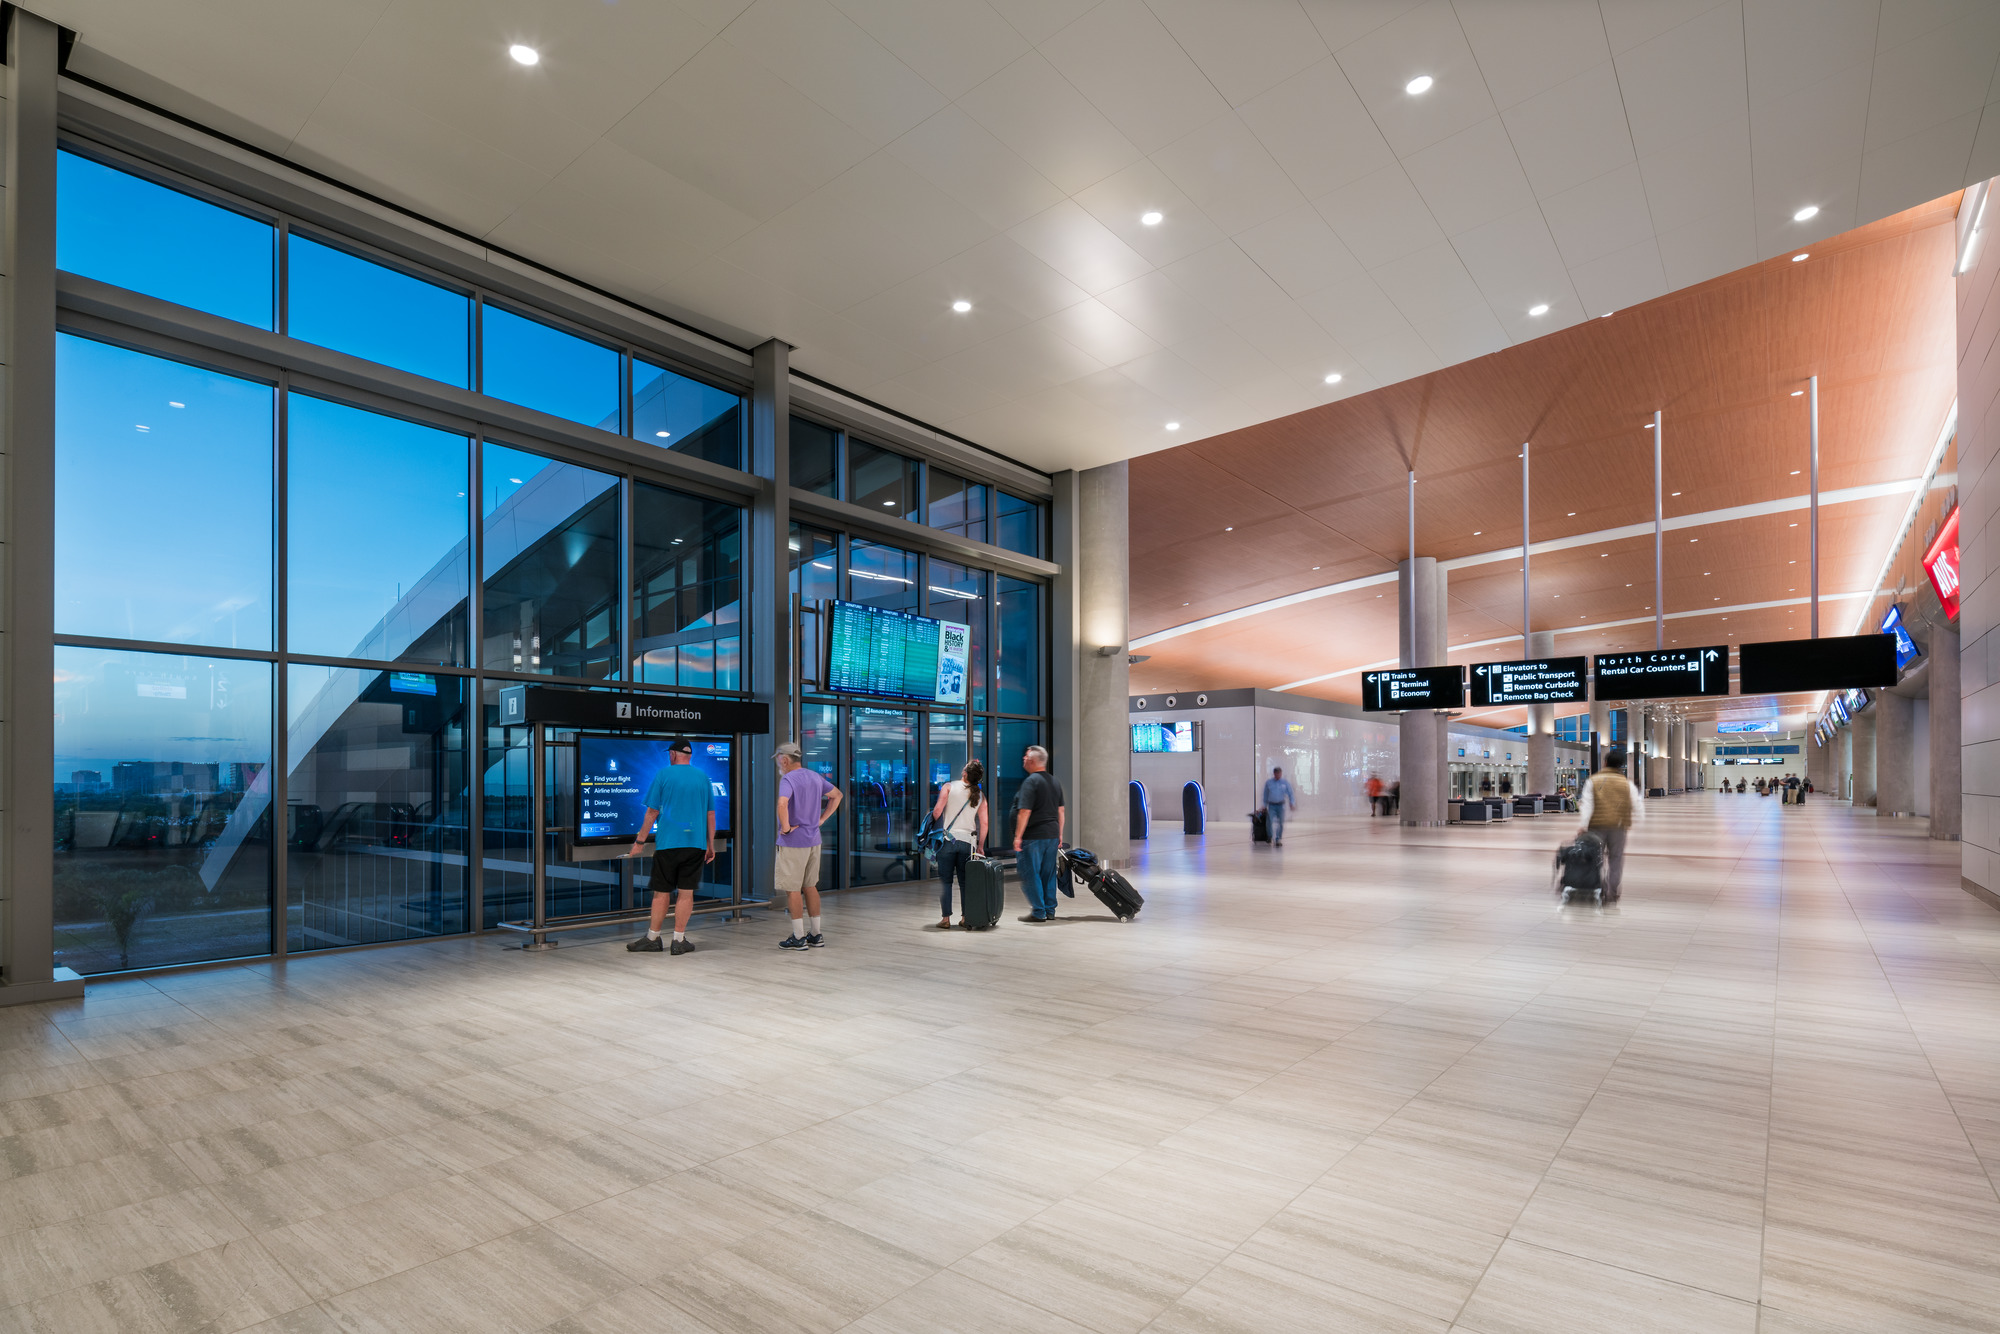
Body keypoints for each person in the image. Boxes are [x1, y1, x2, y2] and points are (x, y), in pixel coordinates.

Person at [625, 738, 717, 956]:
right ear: (690, 756)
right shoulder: (703, 777)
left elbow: (652, 812)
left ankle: (653, 938)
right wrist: (710, 844)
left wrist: (639, 842)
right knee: (686, 893)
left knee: (661, 892)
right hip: (695, 844)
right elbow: (711, 814)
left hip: (668, 844)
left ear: (673, 754)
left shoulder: (663, 775)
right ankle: (678, 940)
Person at [773, 741, 842, 950]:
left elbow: (782, 803)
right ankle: (816, 934)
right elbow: (837, 795)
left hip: (794, 842)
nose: (778, 763)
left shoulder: (788, 778)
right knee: (810, 886)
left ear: (784, 760)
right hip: (814, 840)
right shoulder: (814, 776)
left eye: (778, 760)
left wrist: (785, 828)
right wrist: (821, 819)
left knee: (792, 889)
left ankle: (799, 937)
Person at [928, 759, 989, 929]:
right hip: (968, 842)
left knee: (945, 881)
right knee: (965, 882)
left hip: (947, 840)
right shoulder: (980, 795)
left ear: (964, 773)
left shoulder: (949, 787)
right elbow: (984, 823)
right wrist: (980, 846)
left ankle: (946, 919)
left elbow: (937, 812)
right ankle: (965, 917)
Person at [1577, 749, 1643, 900]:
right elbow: (1636, 804)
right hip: (1618, 827)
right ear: (1621, 766)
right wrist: (1636, 820)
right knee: (1616, 860)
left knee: (1594, 859)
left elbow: (1587, 805)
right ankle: (1612, 892)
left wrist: (1583, 825)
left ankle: (1597, 889)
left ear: (1605, 763)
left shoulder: (1593, 781)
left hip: (1596, 827)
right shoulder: (1627, 784)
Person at [1011, 746, 1065, 922]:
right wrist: (1060, 834)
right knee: (1048, 873)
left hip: (1034, 836)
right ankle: (1050, 910)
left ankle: (1039, 911)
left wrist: (1018, 836)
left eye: (1026, 756)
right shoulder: (1054, 781)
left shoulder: (1031, 781)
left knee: (1029, 872)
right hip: (1052, 835)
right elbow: (1061, 811)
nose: (1023, 759)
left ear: (1033, 761)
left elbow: (1024, 812)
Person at [1262, 766, 1296, 845]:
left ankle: (1278, 839)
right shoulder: (1269, 783)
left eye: (1279, 773)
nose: (1278, 775)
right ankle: (1270, 836)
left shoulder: (1285, 783)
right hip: (1271, 805)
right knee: (1269, 821)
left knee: (1280, 822)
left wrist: (1292, 803)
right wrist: (1264, 805)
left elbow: (1290, 793)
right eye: (1276, 773)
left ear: (1281, 773)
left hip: (1281, 805)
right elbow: (1265, 795)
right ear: (1274, 774)